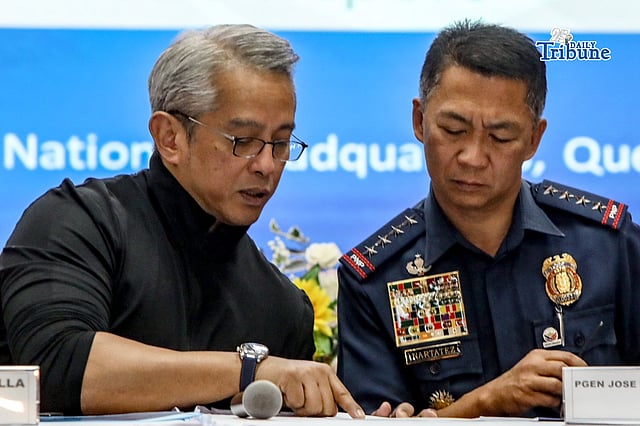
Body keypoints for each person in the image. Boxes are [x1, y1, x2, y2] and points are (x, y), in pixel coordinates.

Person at [0, 24, 364, 419]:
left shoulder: (283, 307)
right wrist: (248, 370)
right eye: (243, 141)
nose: (267, 165)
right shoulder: (78, 222)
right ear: (170, 137)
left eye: (280, 143)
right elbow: (53, 368)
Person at [337, 19, 640, 418]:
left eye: (500, 137)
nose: (473, 157)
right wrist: (484, 403)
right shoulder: (376, 279)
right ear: (419, 121)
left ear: (533, 139)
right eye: (453, 130)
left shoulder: (608, 246)